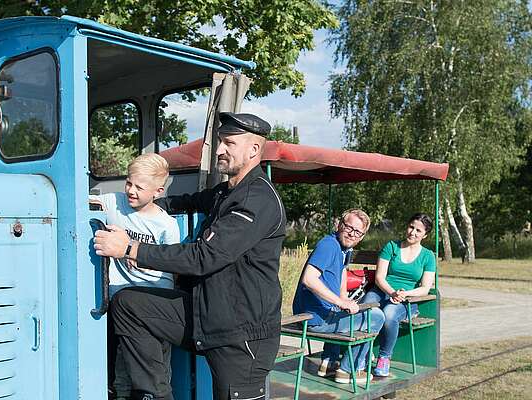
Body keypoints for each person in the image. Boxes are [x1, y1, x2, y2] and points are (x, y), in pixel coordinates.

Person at [94, 112, 286, 400]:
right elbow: (188, 201)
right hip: (207, 312)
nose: (220, 150)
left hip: (241, 333)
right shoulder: (227, 193)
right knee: (129, 304)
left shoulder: (256, 199)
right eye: (220, 141)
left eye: (229, 144)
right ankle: (155, 395)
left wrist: (130, 249)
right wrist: (149, 205)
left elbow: (203, 257)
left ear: (254, 150)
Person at [90, 153, 181, 399]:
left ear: (158, 191)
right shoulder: (113, 203)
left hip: (153, 306)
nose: (131, 190)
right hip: (121, 308)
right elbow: (83, 200)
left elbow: (172, 266)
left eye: (139, 187)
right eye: (128, 183)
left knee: (156, 370)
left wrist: (134, 254)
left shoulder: (167, 225)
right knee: (122, 370)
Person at [292, 209, 384, 384]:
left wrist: (344, 297)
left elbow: (342, 269)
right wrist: (340, 301)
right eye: (349, 227)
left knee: (347, 312)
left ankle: (329, 362)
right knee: (376, 317)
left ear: (362, 236)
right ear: (340, 225)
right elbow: (309, 279)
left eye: (357, 232)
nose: (351, 234)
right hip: (314, 319)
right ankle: (349, 370)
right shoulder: (328, 245)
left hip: (323, 315)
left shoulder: (344, 248)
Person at [361, 213, 436, 377]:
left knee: (389, 314)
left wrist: (404, 294)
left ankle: (384, 357)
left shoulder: (428, 256)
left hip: (407, 299)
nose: (413, 233)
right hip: (382, 291)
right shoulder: (392, 247)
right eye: (411, 227)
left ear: (425, 235)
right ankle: (361, 354)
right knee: (366, 308)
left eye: (418, 231)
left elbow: (424, 288)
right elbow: (380, 277)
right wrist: (391, 292)